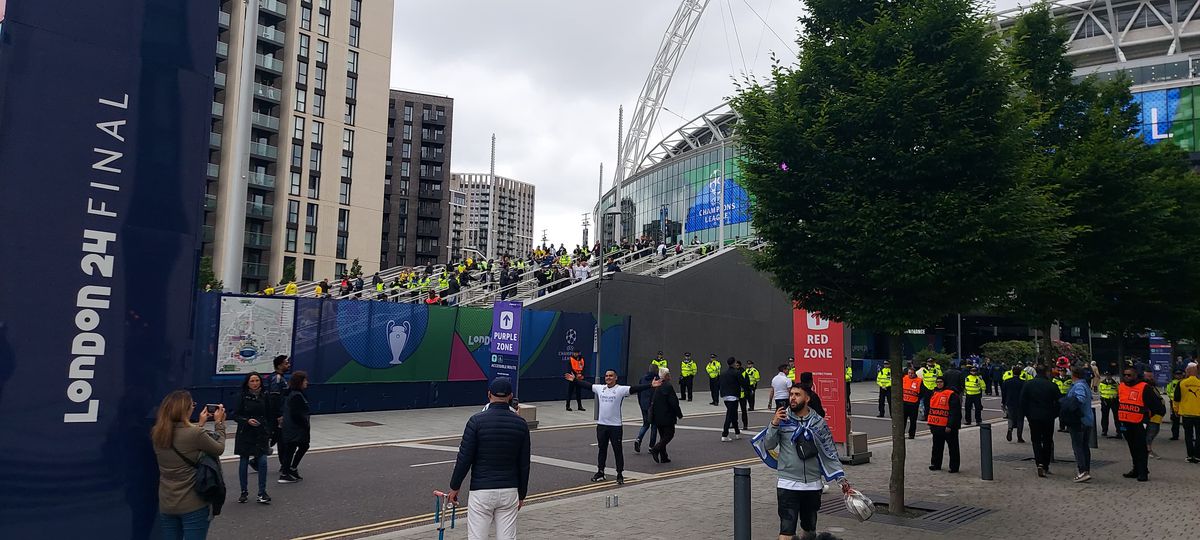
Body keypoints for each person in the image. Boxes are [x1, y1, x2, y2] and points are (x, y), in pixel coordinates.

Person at [758, 384, 853, 540]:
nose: (792, 398)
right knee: (786, 532)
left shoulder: (819, 423)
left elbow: (830, 452)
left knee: (809, 531)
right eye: (791, 394)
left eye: (797, 395)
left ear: (807, 398)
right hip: (787, 483)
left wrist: (841, 479)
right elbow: (768, 445)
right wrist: (774, 424)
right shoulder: (782, 420)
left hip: (813, 485)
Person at [447, 378, 531, 540]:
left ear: (489, 394)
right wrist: (522, 494)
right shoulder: (521, 424)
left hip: (481, 490)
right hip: (509, 490)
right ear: (510, 396)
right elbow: (524, 464)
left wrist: (454, 487)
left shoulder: (476, 421)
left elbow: (464, 458)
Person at [152, 390, 226, 539]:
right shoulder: (195, 434)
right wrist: (219, 424)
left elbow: (184, 440)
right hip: (193, 503)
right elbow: (218, 448)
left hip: (167, 502)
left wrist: (200, 424)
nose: (193, 407)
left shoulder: (157, 433)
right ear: (185, 409)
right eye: (192, 405)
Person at [564, 370, 660, 484]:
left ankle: (619, 474)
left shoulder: (620, 389)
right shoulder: (600, 388)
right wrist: (574, 380)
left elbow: (635, 388)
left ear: (615, 378)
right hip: (602, 425)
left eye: (611, 376)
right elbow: (587, 385)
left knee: (617, 450)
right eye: (606, 376)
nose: (608, 378)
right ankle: (600, 472)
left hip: (615, 426)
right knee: (602, 450)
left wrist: (650, 385)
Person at [233, 373, 272, 504]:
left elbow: (269, 414)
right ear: (247, 383)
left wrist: (269, 430)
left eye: (257, 380)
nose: (255, 383)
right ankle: (243, 491)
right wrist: (247, 420)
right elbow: (236, 415)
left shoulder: (265, 395)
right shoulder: (242, 396)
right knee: (244, 460)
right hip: (245, 432)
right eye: (252, 381)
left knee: (263, 461)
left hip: (261, 432)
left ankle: (262, 492)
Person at [1118, 368, 1161, 481]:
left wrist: (1147, 417)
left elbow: (1157, 405)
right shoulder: (1121, 386)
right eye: (1125, 375)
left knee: (1141, 447)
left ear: (1135, 375)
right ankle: (1136, 469)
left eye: (1129, 375)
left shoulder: (1144, 387)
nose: (1127, 377)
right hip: (1125, 421)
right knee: (1132, 447)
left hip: (1139, 422)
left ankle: (1143, 472)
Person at [1021, 364, 1060, 478]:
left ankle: (1039, 463)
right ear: (1046, 372)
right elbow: (1059, 402)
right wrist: (1055, 414)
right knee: (1047, 440)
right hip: (1048, 416)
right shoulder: (1051, 385)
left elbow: (1022, 401)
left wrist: (1027, 414)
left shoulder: (1028, 384)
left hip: (1033, 417)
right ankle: (1046, 464)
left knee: (1036, 440)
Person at [278, 371, 310, 484]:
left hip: (291, 427)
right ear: (299, 382)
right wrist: (304, 425)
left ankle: (290, 469)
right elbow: (296, 414)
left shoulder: (293, 393)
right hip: (296, 428)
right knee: (295, 448)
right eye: (305, 380)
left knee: (296, 447)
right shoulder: (296, 395)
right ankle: (286, 473)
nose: (307, 382)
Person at [1064, 366, 1095, 483]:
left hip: (1079, 420)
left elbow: (1080, 399)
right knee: (1084, 446)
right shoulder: (1084, 384)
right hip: (1087, 420)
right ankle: (1086, 470)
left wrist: (1070, 405)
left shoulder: (1079, 386)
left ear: (1074, 375)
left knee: (1078, 446)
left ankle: (1082, 471)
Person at [648, 368, 684, 463]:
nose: (670, 375)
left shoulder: (657, 385)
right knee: (669, 434)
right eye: (669, 374)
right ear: (666, 376)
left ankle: (664, 456)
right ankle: (656, 449)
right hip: (667, 415)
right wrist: (679, 414)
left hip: (657, 415)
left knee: (662, 435)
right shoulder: (668, 386)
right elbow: (674, 402)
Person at [927, 376, 961, 473]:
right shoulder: (934, 393)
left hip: (948, 427)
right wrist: (931, 424)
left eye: (941, 382)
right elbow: (931, 409)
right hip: (936, 425)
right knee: (937, 446)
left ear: (944, 382)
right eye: (937, 382)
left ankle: (954, 467)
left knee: (953, 447)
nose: (939, 383)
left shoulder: (951, 394)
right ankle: (936, 464)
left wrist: (950, 425)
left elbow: (954, 412)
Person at [265, 355, 290, 455]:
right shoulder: (277, 378)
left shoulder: (281, 377)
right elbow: (274, 397)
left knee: (278, 436)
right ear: (279, 366)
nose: (289, 365)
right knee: (276, 435)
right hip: (275, 414)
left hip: (279, 412)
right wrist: (279, 415)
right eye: (286, 363)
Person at [1175, 363, 1200, 463]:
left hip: (1186, 413)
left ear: (1188, 371)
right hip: (1198, 414)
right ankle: (1197, 456)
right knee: (1199, 435)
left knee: (1188, 435)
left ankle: (1190, 455)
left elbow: (1176, 398)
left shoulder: (1181, 383)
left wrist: (1176, 410)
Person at [633, 363, 660, 454]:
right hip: (653, 406)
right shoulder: (657, 379)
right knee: (654, 426)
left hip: (643, 404)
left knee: (645, 424)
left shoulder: (643, 378)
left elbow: (639, 391)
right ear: (657, 370)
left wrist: (640, 403)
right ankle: (651, 446)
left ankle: (638, 439)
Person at [720, 358, 744, 441]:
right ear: (733, 363)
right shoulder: (736, 372)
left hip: (725, 396)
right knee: (730, 415)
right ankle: (725, 434)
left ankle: (737, 433)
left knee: (733, 414)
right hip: (733, 396)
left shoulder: (723, 373)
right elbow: (743, 382)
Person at [1143, 370, 1165, 460]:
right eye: (1149, 377)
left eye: (1152, 376)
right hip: (1151, 415)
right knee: (1151, 432)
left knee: (1154, 431)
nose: (1151, 378)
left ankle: (1147, 449)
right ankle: (1148, 450)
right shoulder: (1146, 387)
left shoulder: (1152, 387)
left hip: (1157, 415)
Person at [1002, 367, 1027, 443]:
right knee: (1020, 419)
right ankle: (1019, 437)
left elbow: (1004, 393)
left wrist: (1003, 402)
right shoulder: (1023, 383)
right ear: (1020, 373)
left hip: (1010, 402)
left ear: (1012, 372)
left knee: (1010, 417)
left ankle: (1010, 429)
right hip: (1020, 403)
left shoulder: (1007, 381)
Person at [1098, 371, 1120, 438]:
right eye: (1107, 375)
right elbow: (1100, 391)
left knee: (1116, 417)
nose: (1108, 376)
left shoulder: (1115, 383)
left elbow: (1119, 391)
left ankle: (1119, 431)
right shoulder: (1102, 383)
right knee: (1104, 416)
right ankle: (1104, 430)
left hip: (1114, 401)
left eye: (1109, 375)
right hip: (1105, 401)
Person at [901, 367, 922, 439]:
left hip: (913, 404)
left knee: (913, 420)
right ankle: (901, 433)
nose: (910, 374)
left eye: (912, 373)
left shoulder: (919, 381)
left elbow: (922, 392)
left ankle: (911, 434)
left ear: (915, 373)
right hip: (904, 402)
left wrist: (918, 400)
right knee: (903, 420)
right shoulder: (904, 378)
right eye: (909, 373)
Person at [1167, 369, 1184, 441]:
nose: (1179, 376)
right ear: (1174, 375)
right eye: (1177, 374)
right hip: (1174, 402)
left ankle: (1189, 435)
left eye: (1180, 374)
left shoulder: (1184, 382)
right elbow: (1168, 391)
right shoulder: (1171, 383)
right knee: (1175, 420)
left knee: (1185, 421)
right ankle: (1175, 435)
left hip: (1182, 403)